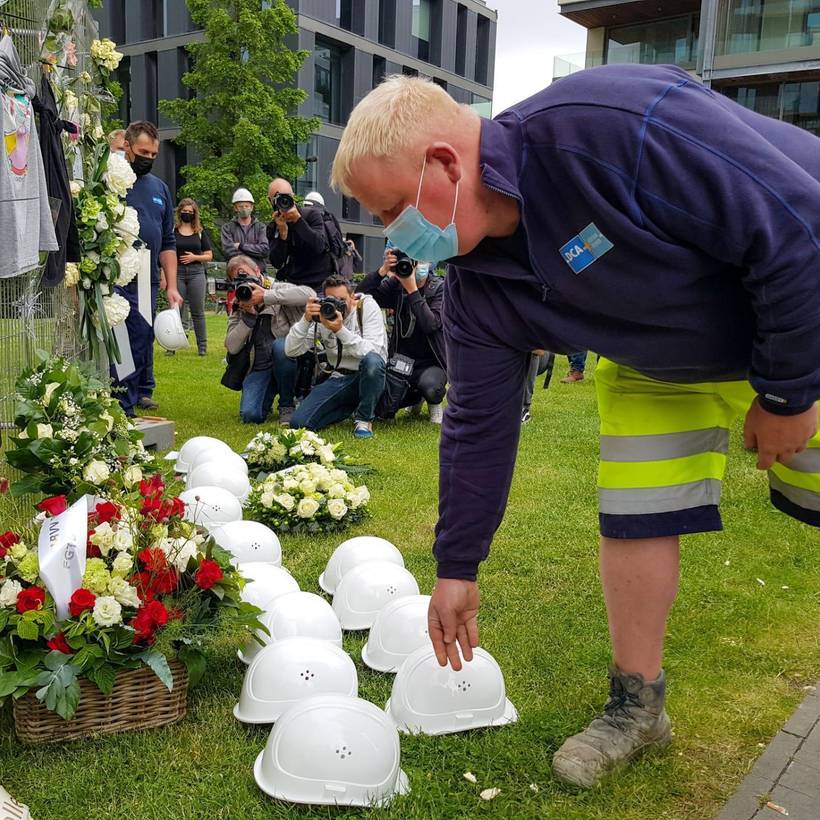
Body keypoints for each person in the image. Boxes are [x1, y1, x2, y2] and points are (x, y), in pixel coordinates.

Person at [330, 67, 820, 788]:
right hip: (658, 357)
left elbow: (794, 223)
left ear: (444, 163)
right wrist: (457, 566)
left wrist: (786, 393)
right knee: (635, 515)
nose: (394, 238)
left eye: (396, 209)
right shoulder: (478, 291)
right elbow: (477, 424)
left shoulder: (610, 127)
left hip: (798, 305)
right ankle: (639, 705)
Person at [111, 120, 181, 416]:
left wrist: (173, 285)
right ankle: (117, 402)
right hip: (114, 274)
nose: (149, 158)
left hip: (146, 276)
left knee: (141, 337)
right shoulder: (110, 180)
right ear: (127, 146)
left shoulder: (160, 189)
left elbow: (168, 240)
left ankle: (130, 400)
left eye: (154, 154)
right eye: (144, 152)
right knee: (119, 339)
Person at [285, 275, 387, 438]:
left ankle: (364, 419)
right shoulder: (324, 313)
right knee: (299, 423)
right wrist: (305, 320)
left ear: (352, 297)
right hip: (339, 377)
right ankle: (347, 407)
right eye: (331, 300)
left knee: (372, 362)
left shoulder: (366, 307)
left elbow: (373, 351)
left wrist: (340, 330)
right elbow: (291, 350)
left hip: (369, 376)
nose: (337, 305)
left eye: (341, 299)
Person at [357, 245, 446, 423]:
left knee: (431, 388)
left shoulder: (439, 288)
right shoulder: (396, 285)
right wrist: (382, 271)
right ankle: (415, 397)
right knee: (385, 411)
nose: (414, 267)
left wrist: (412, 290)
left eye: (420, 261)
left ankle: (431, 400)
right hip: (401, 361)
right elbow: (362, 295)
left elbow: (430, 324)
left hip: (431, 362)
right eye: (413, 261)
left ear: (429, 264)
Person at [224, 255, 314, 425]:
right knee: (251, 416)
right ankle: (270, 391)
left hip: (289, 359)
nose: (245, 283)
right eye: (238, 279)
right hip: (260, 367)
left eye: (247, 275)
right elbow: (232, 347)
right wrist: (248, 318)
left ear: (258, 271)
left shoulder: (276, 288)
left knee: (281, 347)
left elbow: (309, 294)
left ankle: (286, 405)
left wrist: (266, 296)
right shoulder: (239, 302)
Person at [267, 178, 336, 292]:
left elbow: (319, 245)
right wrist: (283, 233)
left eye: (287, 197)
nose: (283, 201)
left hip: (319, 283)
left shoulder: (311, 215)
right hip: (294, 285)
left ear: (293, 196)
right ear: (271, 201)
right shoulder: (273, 227)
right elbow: (276, 262)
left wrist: (298, 220)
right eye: (278, 198)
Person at [171, 198, 212, 357]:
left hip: (196, 273)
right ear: (179, 212)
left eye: (190, 212)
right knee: (176, 311)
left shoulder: (199, 232)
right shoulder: (173, 230)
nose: (187, 214)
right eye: (184, 211)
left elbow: (209, 255)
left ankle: (202, 347)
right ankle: (171, 345)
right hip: (178, 273)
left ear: (194, 214)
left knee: (198, 311)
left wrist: (195, 257)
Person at [221, 187, 269, 274]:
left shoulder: (261, 227)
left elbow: (264, 250)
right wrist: (253, 252)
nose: (244, 208)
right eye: (240, 206)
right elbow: (228, 251)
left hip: (257, 273)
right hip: (235, 274)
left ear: (252, 207)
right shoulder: (227, 228)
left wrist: (241, 246)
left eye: (247, 206)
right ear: (235, 208)